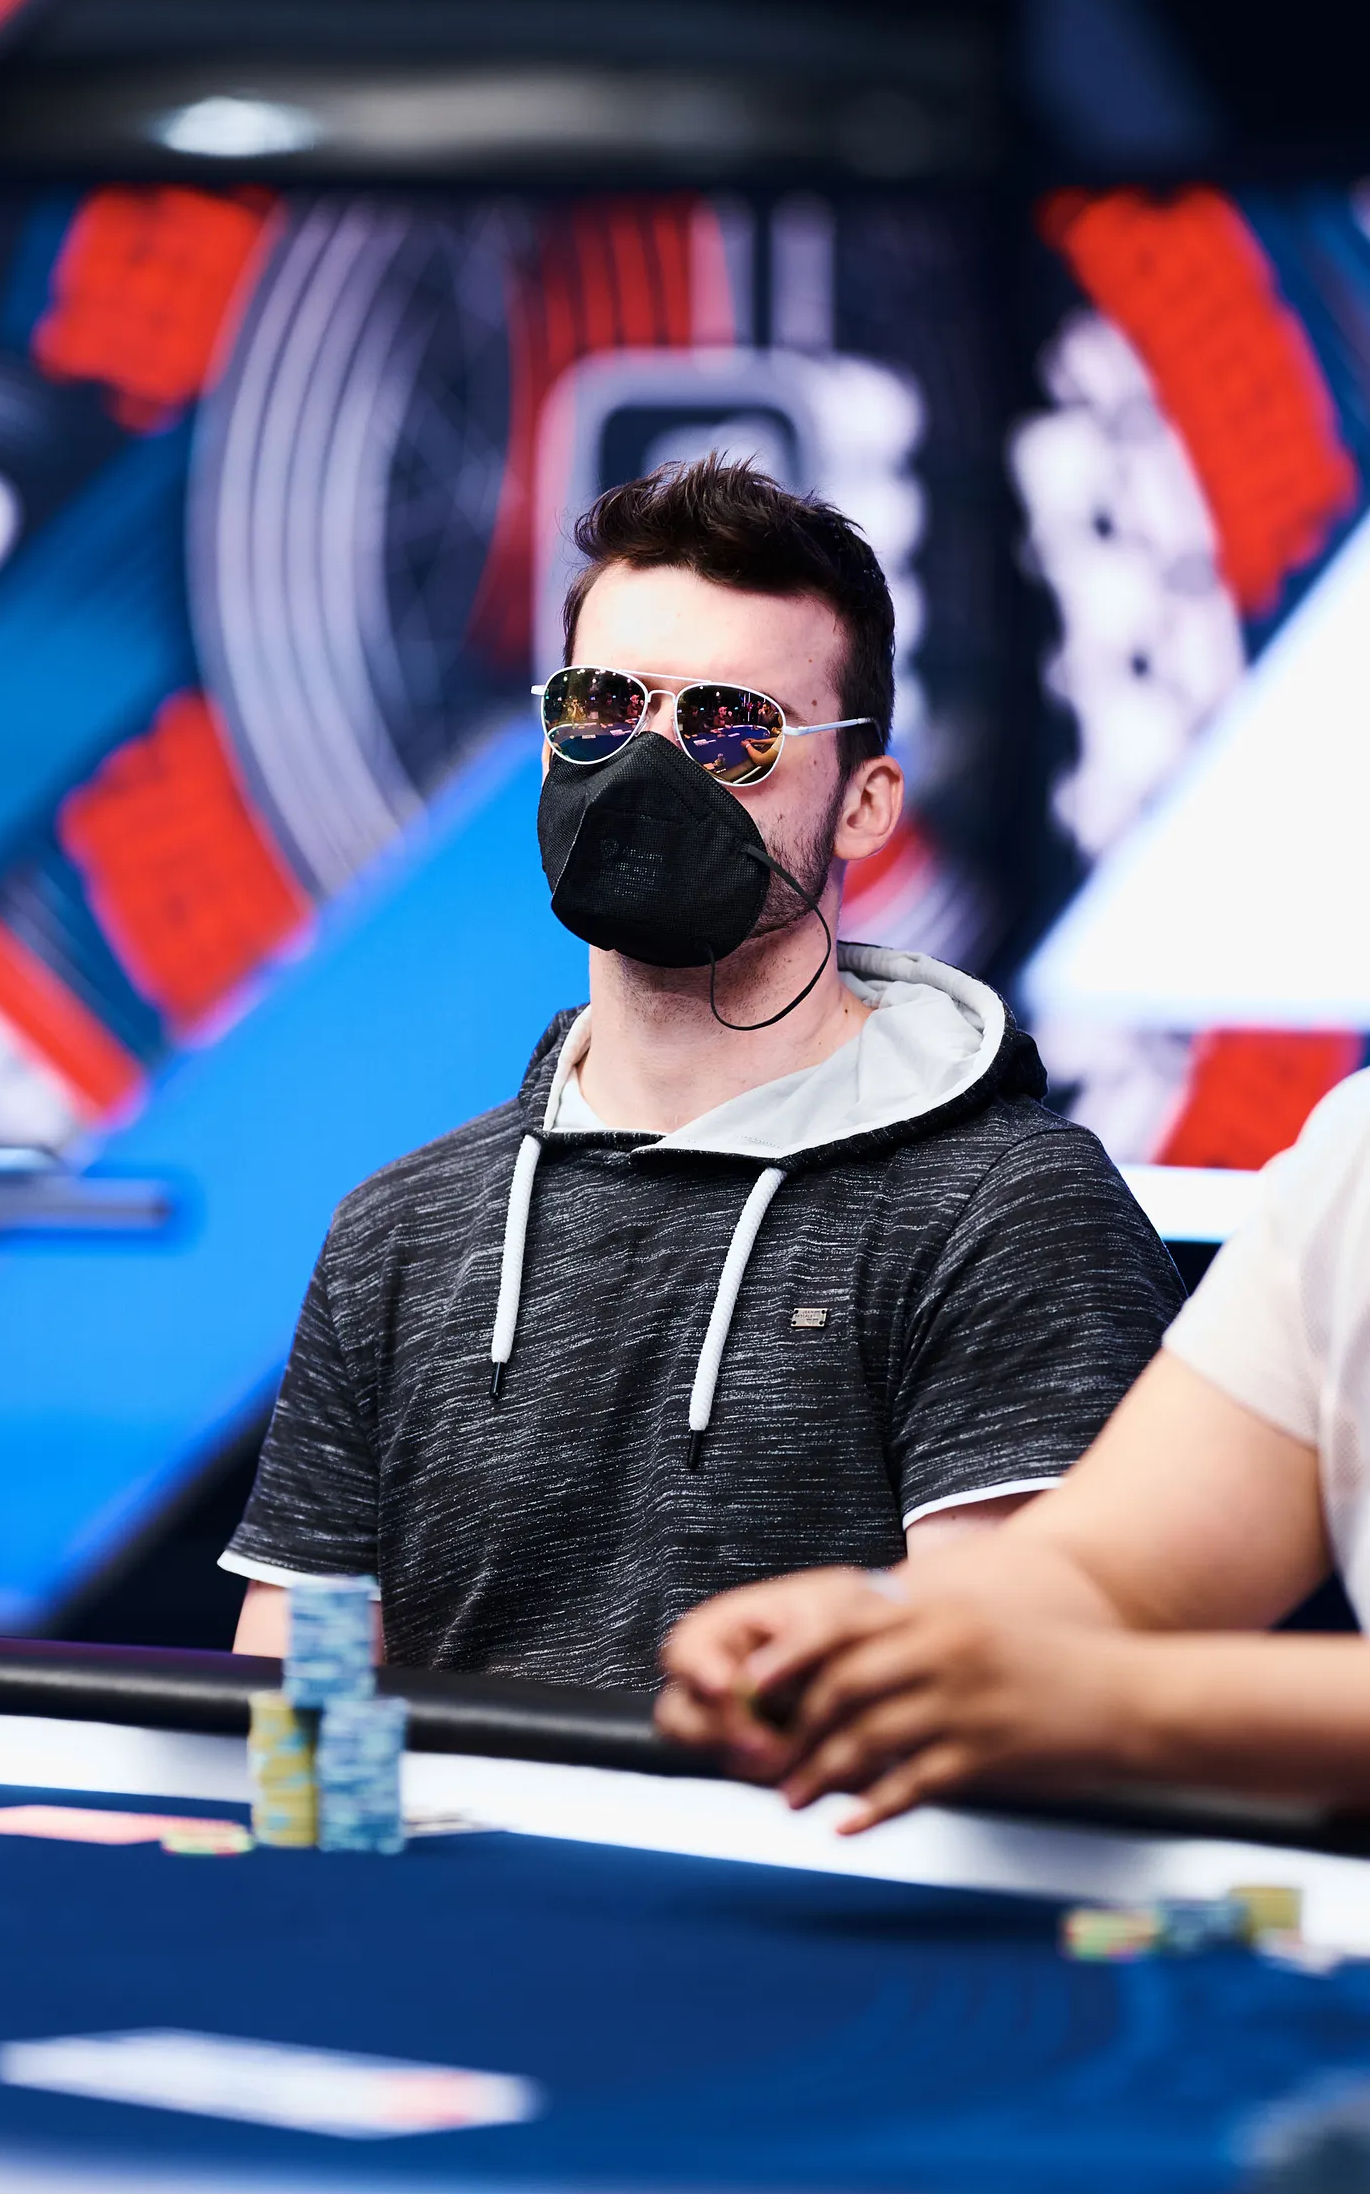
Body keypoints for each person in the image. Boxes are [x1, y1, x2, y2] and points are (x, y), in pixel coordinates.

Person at [222, 457, 1182, 1689]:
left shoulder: (1008, 1210)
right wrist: (331, 1809)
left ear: (864, 803)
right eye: (601, 708)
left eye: (732, 729)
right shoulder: (398, 1235)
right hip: (445, 1833)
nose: (647, 766)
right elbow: (305, 1715)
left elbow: (997, 1701)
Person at [656, 1066, 1370, 1825]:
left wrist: (1120, 1702)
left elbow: (1103, 1646)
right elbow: (1110, 1572)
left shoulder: (1017, 1183)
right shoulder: (1351, 1150)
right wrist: (869, 1625)